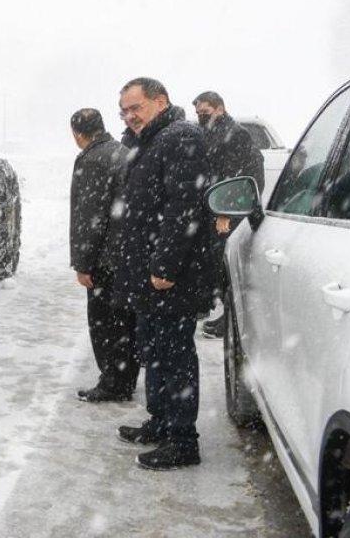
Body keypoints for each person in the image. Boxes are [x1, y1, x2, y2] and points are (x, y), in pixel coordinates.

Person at [112, 77, 210, 470]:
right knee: (153, 349)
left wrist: (166, 266)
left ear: (161, 101)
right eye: (124, 110)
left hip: (170, 275)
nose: (129, 116)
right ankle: (161, 421)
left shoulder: (180, 136)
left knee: (175, 355)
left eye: (136, 107)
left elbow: (183, 206)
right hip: (149, 272)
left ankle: (184, 440)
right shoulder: (149, 141)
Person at [69, 108, 138, 403]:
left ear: (78, 133)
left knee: (104, 323)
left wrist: (84, 264)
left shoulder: (93, 160)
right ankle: (125, 378)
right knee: (124, 322)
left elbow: (90, 216)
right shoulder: (122, 151)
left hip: (105, 258)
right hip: (125, 253)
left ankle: (113, 382)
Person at [192, 91, 264, 339]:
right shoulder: (211, 132)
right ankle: (213, 308)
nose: (201, 117)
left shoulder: (234, 134)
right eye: (198, 113)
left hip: (230, 209)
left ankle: (230, 317)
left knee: (226, 265)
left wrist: (225, 212)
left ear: (220, 108)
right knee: (213, 261)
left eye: (205, 112)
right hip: (216, 206)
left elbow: (235, 174)